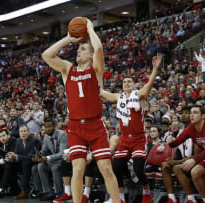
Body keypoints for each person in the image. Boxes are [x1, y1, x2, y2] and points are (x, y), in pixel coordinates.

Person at [42, 17, 121, 203]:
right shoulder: (68, 69)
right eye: (78, 48)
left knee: (106, 168)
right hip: (76, 126)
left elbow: (99, 49)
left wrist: (90, 29)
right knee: (77, 167)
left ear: (91, 55)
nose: (78, 51)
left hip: (95, 125)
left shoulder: (96, 69)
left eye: (83, 49)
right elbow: (47, 55)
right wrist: (69, 38)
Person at [99, 53, 162, 203]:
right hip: (124, 140)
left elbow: (148, 86)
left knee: (139, 169)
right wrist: (97, 78)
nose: (127, 83)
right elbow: (103, 93)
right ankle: (120, 197)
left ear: (133, 85)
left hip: (139, 138)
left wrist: (155, 69)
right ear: (122, 85)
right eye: (125, 82)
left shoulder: (138, 95)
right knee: (116, 168)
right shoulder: (118, 97)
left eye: (129, 81)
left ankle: (146, 191)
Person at [167, 105, 205, 203]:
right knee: (193, 171)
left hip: (201, 157)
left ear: (203, 116)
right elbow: (175, 143)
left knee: (195, 171)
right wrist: (170, 140)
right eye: (191, 113)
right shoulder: (191, 129)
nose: (192, 115)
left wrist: (194, 160)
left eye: (195, 113)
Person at [32, 119, 68, 200]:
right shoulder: (46, 136)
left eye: (50, 126)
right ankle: (49, 192)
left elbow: (62, 153)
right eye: (46, 127)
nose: (48, 129)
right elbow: (44, 151)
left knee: (54, 167)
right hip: (53, 160)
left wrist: (47, 158)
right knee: (40, 166)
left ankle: (60, 193)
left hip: (64, 160)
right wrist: (38, 156)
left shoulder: (62, 135)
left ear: (54, 126)